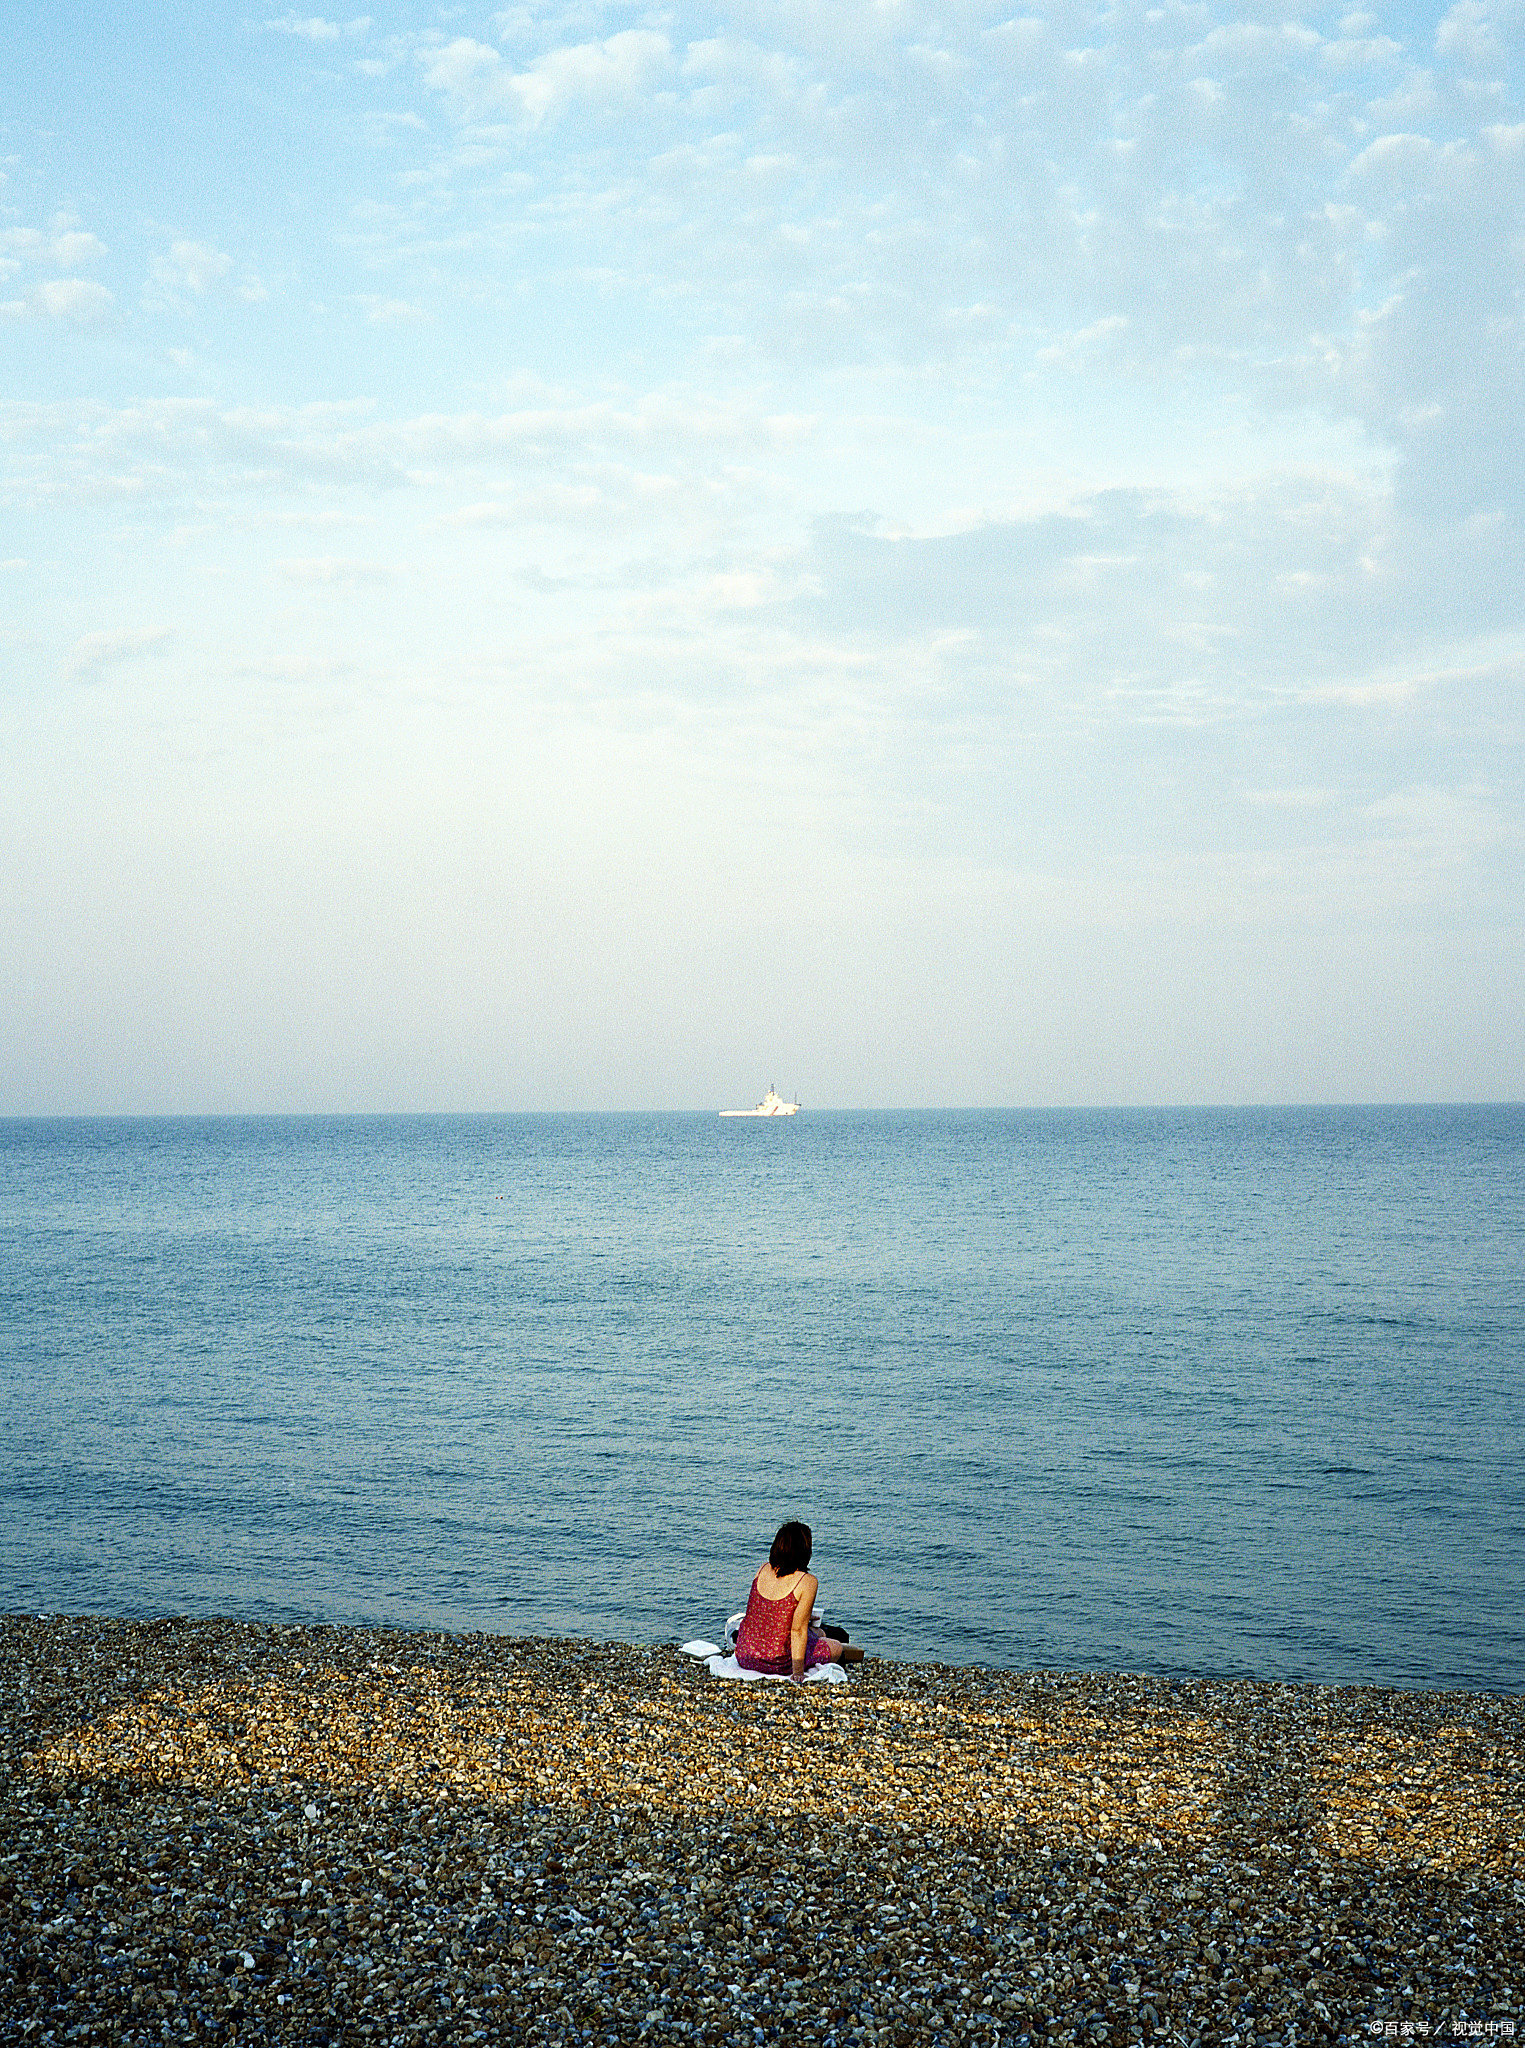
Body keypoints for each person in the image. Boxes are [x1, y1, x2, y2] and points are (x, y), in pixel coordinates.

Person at [733, 1519, 866, 1679]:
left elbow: (762, 1612)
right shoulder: (807, 1581)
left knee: (818, 1632)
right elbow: (797, 1631)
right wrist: (797, 1672)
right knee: (836, 1646)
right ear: (805, 1551)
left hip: (746, 1655)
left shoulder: (763, 1569)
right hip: (778, 1661)